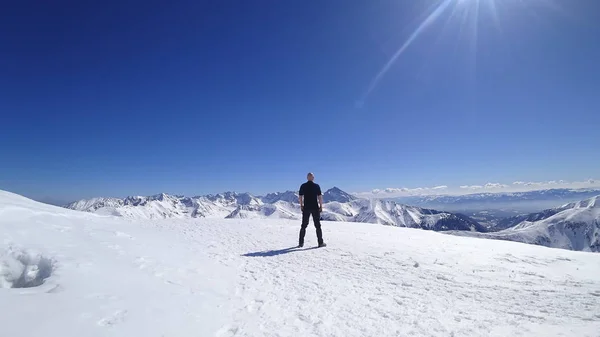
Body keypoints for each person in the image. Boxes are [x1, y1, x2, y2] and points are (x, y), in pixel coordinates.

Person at [298, 172, 326, 248]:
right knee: (317, 226)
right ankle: (320, 243)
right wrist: (321, 206)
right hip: (315, 207)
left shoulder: (303, 186)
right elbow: (320, 197)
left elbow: (300, 197)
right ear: (313, 178)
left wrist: (301, 205)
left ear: (307, 178)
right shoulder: (316, 186)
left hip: (306, 208)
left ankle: (301, 243)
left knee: (303, 226)